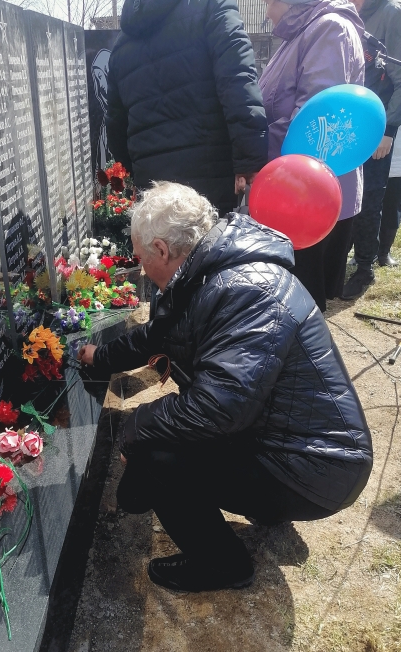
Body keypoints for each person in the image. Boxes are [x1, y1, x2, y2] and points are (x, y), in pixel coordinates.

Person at [78, 183, 373, 593]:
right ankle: (266, 508)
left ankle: (222, 566)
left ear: (161, 250)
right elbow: (158, 334)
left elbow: (217, 408)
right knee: (149, 463)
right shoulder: (205, 274)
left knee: (156, 454)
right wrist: (100, 357)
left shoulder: (247, 289)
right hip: (286, 441)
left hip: (316, 468)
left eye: (142, 259)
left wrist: (136, 429)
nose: (142, 270)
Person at [105, 0, 268, 218]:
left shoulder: (121, 44)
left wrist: (139, 173)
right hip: (212, 178)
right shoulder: (212, 7)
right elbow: (238, 83)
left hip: (155, 188)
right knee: (212, 238)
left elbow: (116, 127)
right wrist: (250, 161)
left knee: (164, 239)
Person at [258, 0, 365, 311]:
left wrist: (252, 148)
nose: (266, 11)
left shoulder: (329, 29)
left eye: (268, 1)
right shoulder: (301, 33)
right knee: (290, 303)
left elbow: (316, 125)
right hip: (292, 188)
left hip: (310, 196)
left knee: (301, 306)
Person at [343, 0, 401, 298]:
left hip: (376, 126)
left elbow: (399, 77)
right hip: (347, 122)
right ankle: (343, 258)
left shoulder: (390, 14)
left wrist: (388, 130)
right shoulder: (345, 13)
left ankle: (365, 268)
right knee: (345, 194)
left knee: (369, 197)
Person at [377, 135, 401, 265]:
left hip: (396, 163)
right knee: (364, 210)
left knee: (392, 208)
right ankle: (362, 252)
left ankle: (384, 252)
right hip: (368, 161)